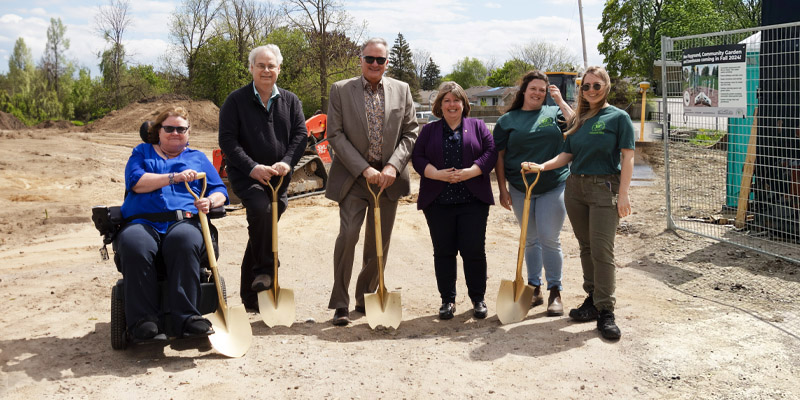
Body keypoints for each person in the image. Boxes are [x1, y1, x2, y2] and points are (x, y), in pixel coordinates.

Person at [528, 66, 635, 340]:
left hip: (604, 187)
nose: (590, 91)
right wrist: (541, 166)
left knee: (602, 251)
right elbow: (567, 155)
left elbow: (628, 157)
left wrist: (623, 194)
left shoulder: (618, 118)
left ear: (606, 86)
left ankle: (606, 310)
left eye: (596, 86)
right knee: (586, 248)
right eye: (586, 87)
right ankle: (593, 300)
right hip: (575, 189)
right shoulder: (580, 119)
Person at [325, 37, 418, 326]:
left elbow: (411, 132)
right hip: (354, 177)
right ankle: (340, 303)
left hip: (388, 179)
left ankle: (365, 296)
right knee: (349, 235)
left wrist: (393, 166)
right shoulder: (341, 90)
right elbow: (335, 135)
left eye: (381, 60)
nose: (375, 64)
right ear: (361, 60)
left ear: (387, 62)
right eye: (370, 59)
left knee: (379, 242)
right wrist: (364, 169)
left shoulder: (402, 91)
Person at [115, 106, 228, 341]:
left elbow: (220, 190)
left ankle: (187, 318)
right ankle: (143, 321)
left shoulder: (197, 158)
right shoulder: (142, 152)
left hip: (183, 220)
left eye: (181, 129)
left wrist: (209, 201)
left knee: (184, 241)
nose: (175, 133)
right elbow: (136, 182)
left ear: (188, 133)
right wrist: (173, 178)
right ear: (158, 131)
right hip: (143, 221)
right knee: (134, 244)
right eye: (169, 128)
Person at [218, 44, 308, 311]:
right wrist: (252, 168)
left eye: (271, 66)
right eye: (261, 65)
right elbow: (228, 141)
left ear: (279, 69)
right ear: (251, 69)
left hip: (278, 178)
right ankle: (268, 270)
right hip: (247, 176)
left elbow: (301, 135)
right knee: (261, 210)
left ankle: (250, 297)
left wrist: (287, 162)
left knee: (263, 226)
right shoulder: (235, 101)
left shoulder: (291, 101)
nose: (266, 70)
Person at [411, 81, 497, 320]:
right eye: (446, 100)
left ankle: (478, 298)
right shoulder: (429, 131)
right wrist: (435, 174)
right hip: (439, 202)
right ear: (440, 105)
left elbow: (491, 152)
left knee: (474, 251)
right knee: (444, 252)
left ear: (463, 104)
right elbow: (417, 157)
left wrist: (473, 170)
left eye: (456, 100)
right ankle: (447, 300)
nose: (452, 105)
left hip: (472, 202)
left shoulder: (478, 126)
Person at [493, 71, 574, 316]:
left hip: (552, 183)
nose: (537, 93)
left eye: (542, 89)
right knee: (529, 239)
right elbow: (500, 156)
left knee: (549, 237)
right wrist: (502, 188)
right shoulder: (508, 120)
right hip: (520, 187)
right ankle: (534, 287)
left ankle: (555, 291)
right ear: (524, 91)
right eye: (533, 89)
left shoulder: (555, 113)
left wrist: (560, 101)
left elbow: (576, 123)